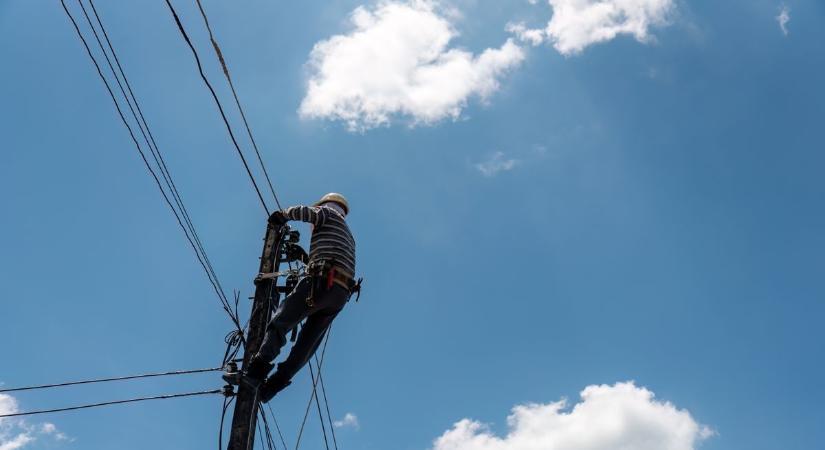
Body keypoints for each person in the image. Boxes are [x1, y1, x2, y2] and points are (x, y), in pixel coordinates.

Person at [244, 193, 357, 403]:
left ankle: (256, 372)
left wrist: (282, 215)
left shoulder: (327, 213)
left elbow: (307, 213)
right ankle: (273, 386)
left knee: (281, 321)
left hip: (321, 282)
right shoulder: (348, 234)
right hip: (339, 295)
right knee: (307, 346)